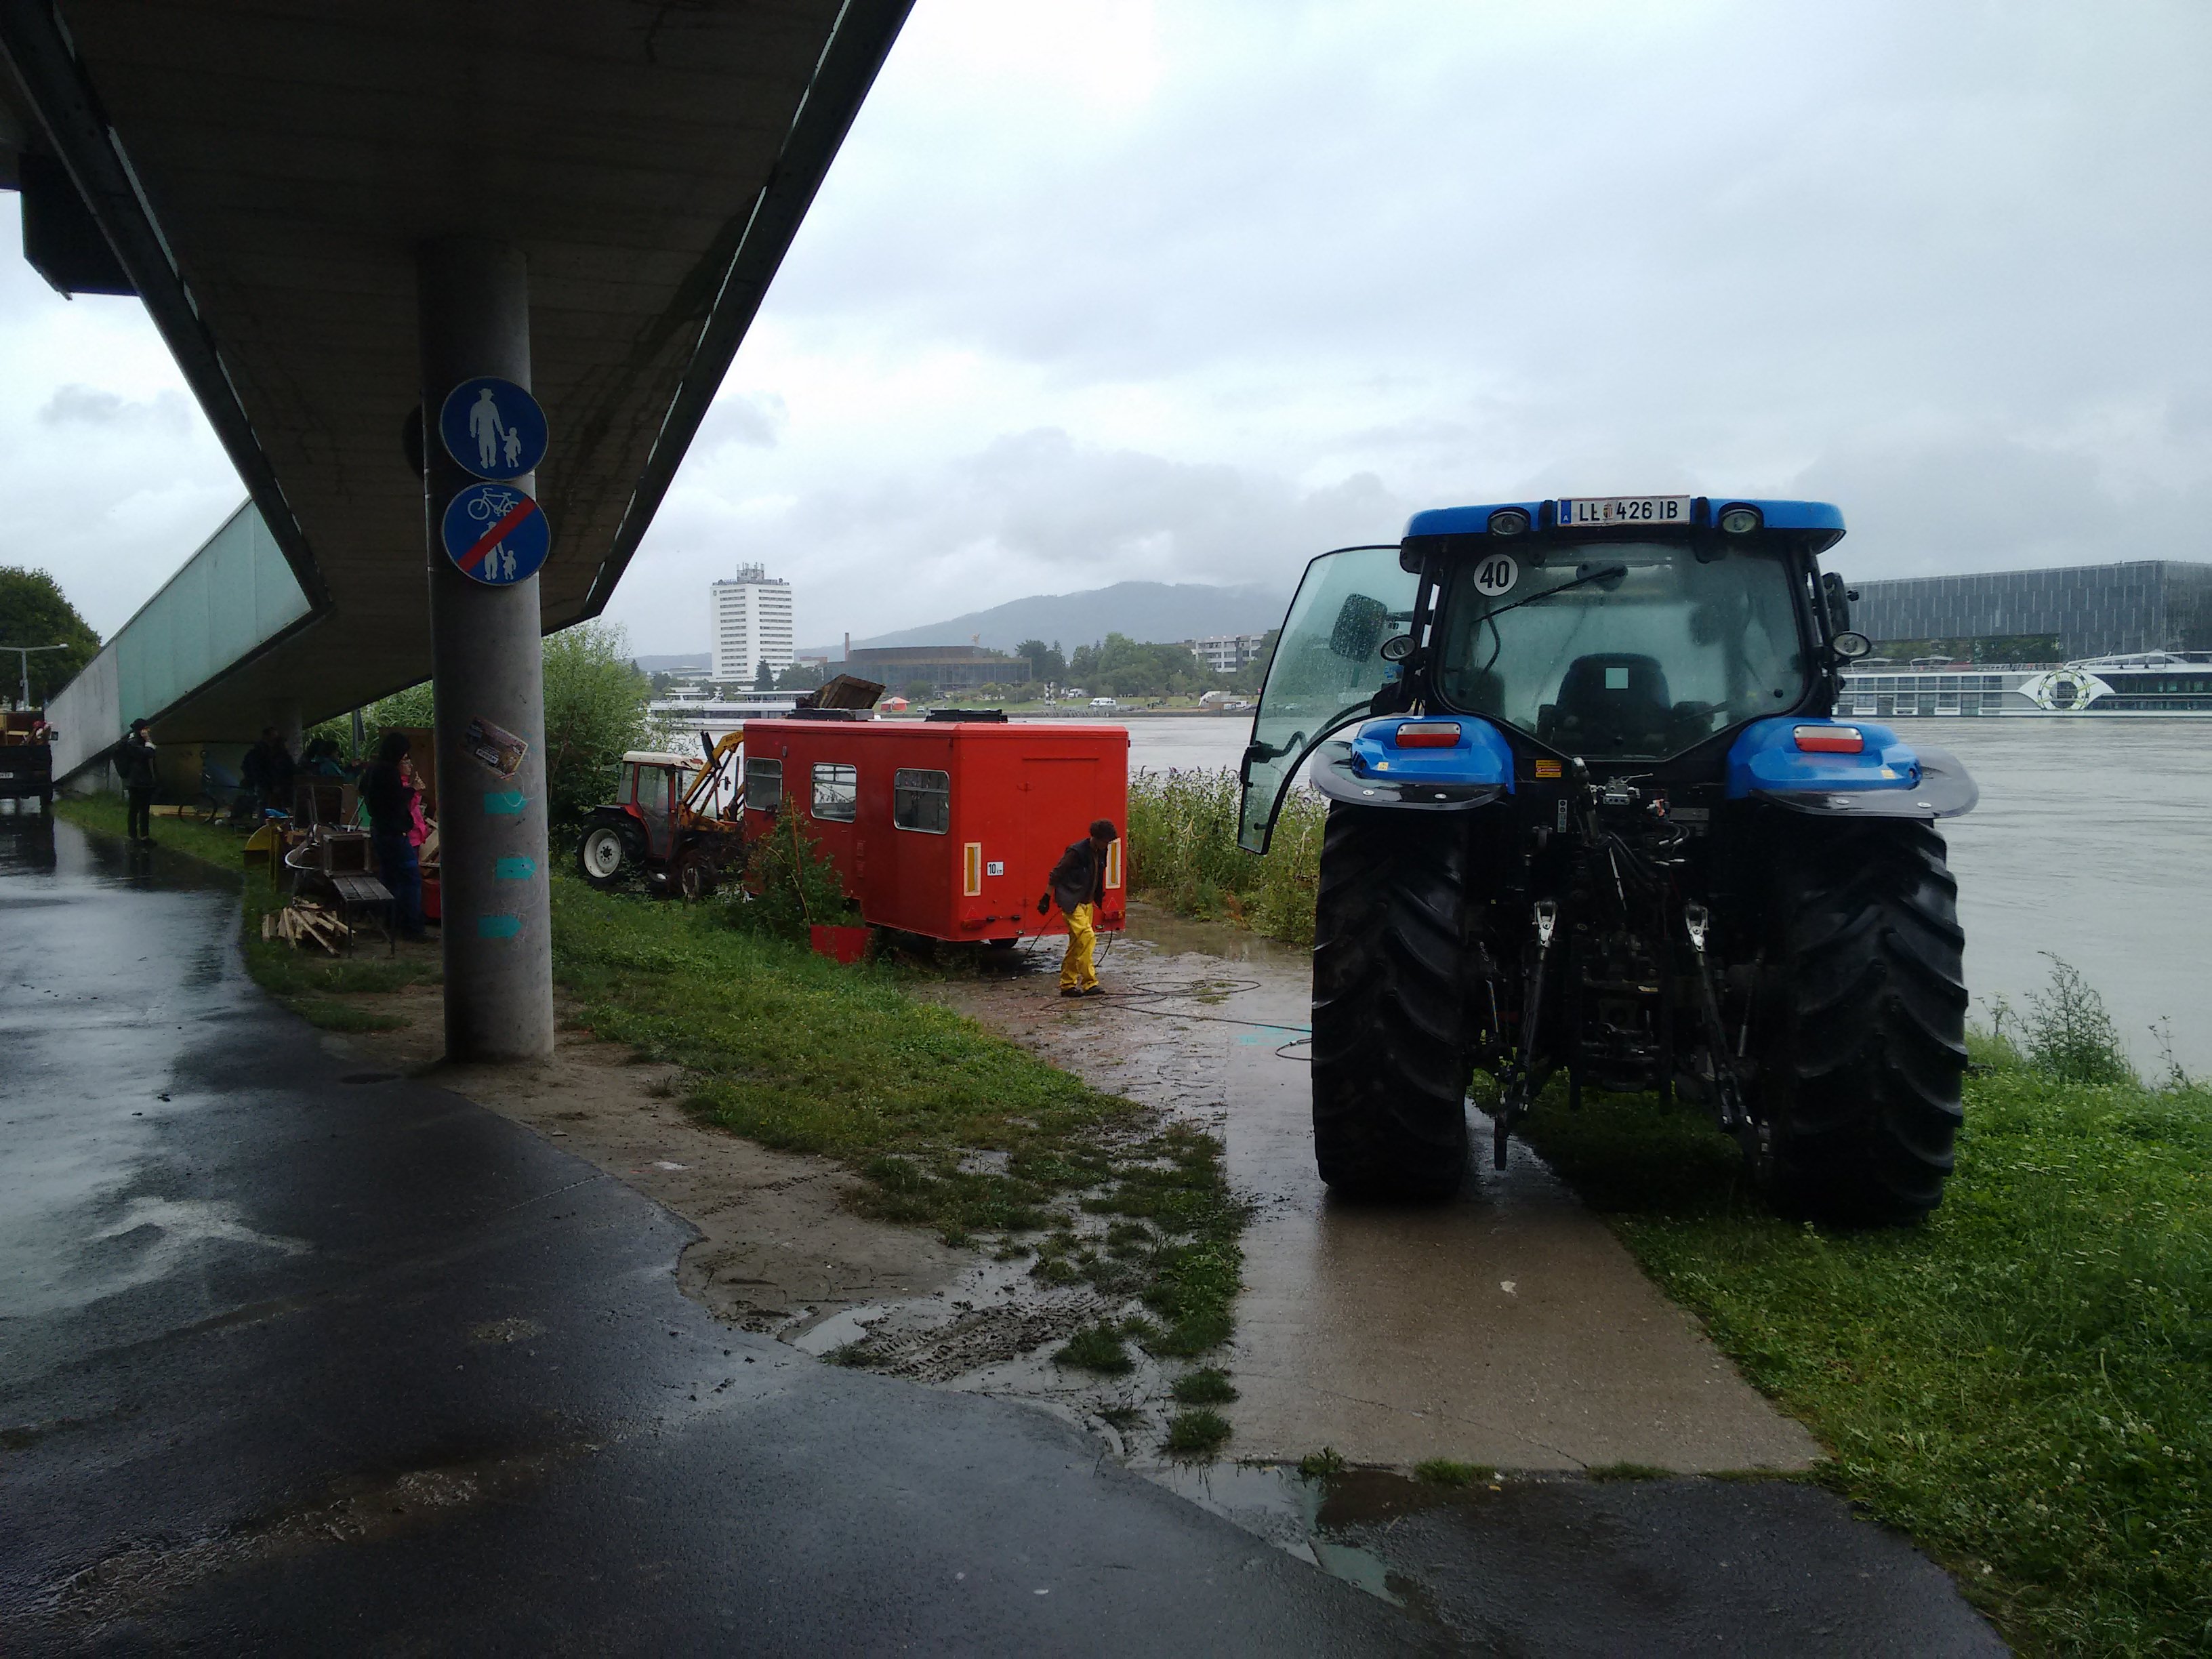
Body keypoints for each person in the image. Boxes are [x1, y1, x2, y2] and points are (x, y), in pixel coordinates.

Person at [1039, 818, 1118, 998]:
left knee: (1077, 944)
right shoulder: (1076, 852)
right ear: (1096, 837)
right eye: (1106, 841)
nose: (1108, 844)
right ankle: (1090, 982)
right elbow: (1056, 874)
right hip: (1071, 902)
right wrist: (1046, 897)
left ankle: (1067, 985)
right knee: (1087, 937)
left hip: (1086, 903)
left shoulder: (1101, 851)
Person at [361, 733, 427, 940]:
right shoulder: (388, 771)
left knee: (390, 879)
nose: (405, 758)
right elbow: (396, 800)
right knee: (411, 880)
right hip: (394, 833)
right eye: (404, 754)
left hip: (379, 830)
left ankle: (391, 921)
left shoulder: (373, 769)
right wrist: (413, 789)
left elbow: (363, 789)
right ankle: (412, 928)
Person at [117, 718, 157, 842]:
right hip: (137, 782)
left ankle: (141, 835)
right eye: (146, 728)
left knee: (141, 809)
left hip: (139, 781)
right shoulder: (133, 743)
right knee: (136, 809)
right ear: (141, 730)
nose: (148, 731)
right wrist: (148, 741)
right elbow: (148, 753)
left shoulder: (135, 742)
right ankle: (135, 835)